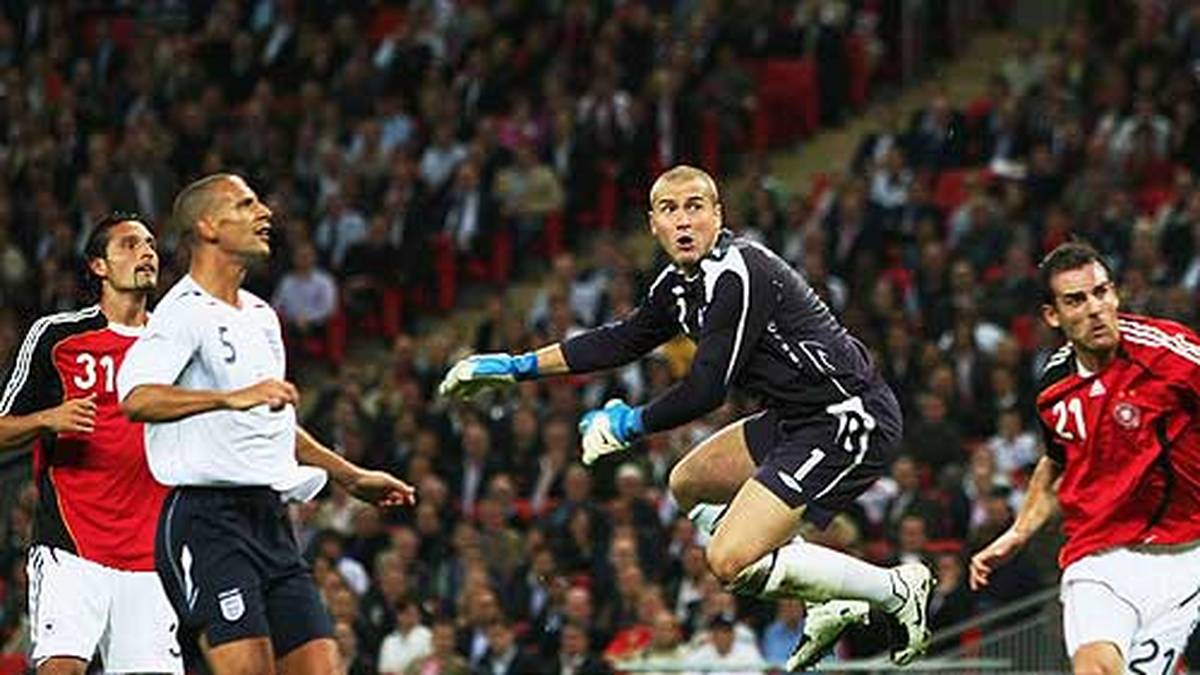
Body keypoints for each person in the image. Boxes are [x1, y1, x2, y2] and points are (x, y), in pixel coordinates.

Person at [440, 165, 933, 669]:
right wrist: (516, 367)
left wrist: (629, 424)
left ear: (718, 216)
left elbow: (705, 390)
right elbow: (622, 339)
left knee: (727, 560)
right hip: (794, 418)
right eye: (669, 209)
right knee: (688, 483)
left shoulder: (739, 273)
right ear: (652, 224)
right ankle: (826, 595)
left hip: (847, 418)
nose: (684, 221)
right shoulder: (677, 284)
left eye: (695, 207)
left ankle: (895, 589)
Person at [116, 173, 415, 674]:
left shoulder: (260, 315)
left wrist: (351, 476)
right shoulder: (183, 312)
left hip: (271, 520)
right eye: (246, 204)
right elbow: (136, 397)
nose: (265, 213)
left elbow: (273, 425)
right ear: (209, 226)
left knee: (322, 667)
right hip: (207, 522)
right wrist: (231, 398)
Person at [970, 241, 1200, 675]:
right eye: (1076, 300)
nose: (1095, 309)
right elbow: (1057, 461)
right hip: (1098, 558)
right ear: (1052, 316)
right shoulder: (1053, 385)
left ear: (1115, 295)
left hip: (1186, 556)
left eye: (1101, 292)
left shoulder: (1171, 354)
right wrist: (1019, 532)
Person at [0, 213, 180, 674]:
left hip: (151, 556)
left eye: (151, 245)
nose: (146, 252)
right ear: (99, 266)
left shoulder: (176, 344)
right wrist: (47, 419)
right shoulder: (58, 337)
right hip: (71, 550)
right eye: (129, 244)